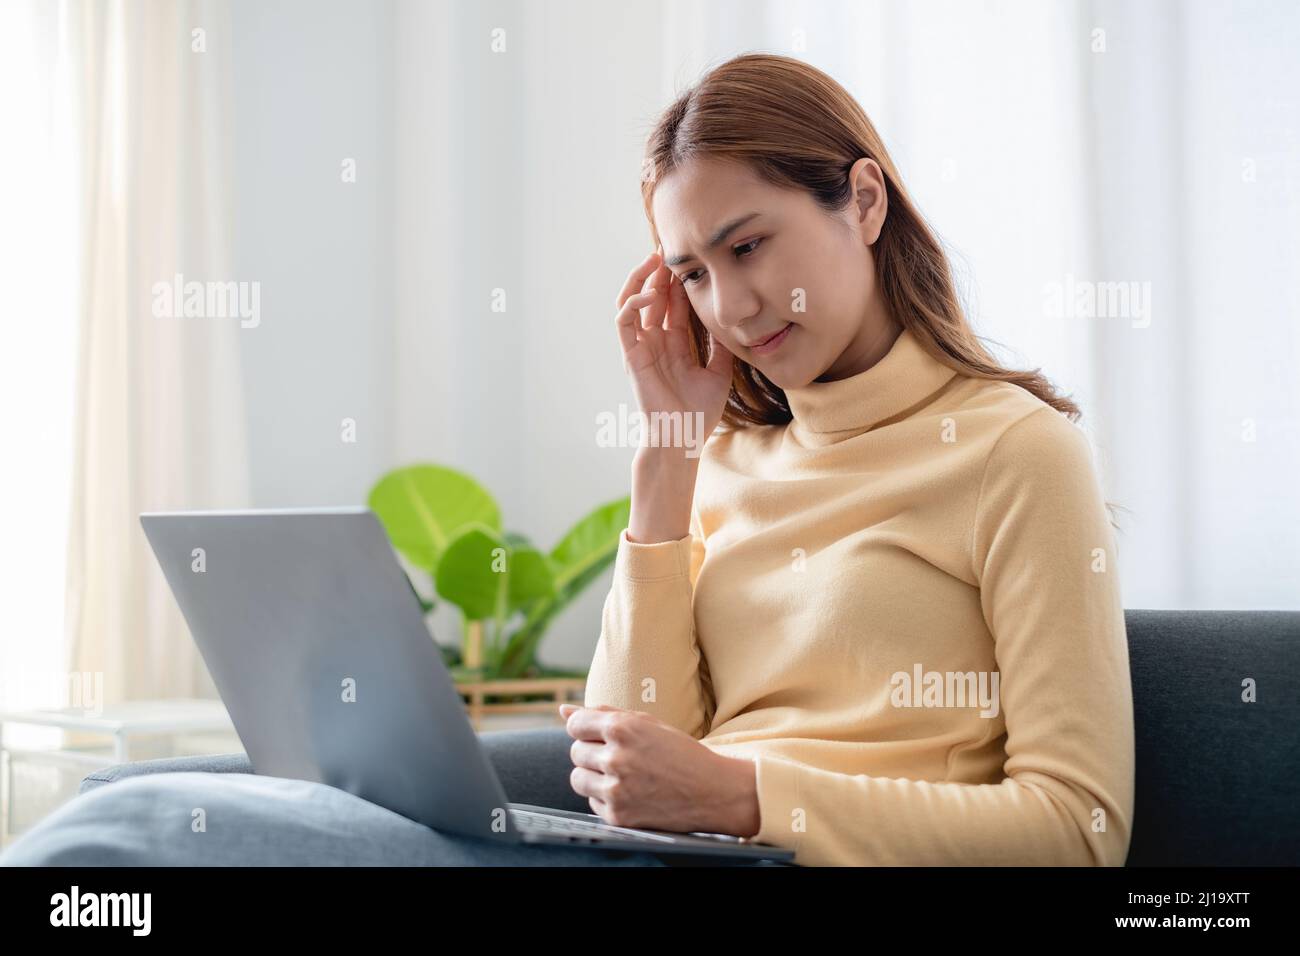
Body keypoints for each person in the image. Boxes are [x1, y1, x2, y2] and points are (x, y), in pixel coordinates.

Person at [567, 52, 1134, 867]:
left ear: (865, 201)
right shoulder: (716, 465)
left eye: (749, 246)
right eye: (693, 274)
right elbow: (628, 794)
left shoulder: (1017, 452)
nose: (730, 308)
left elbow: (1080, 831)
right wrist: (665, 465)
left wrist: (746, 798)